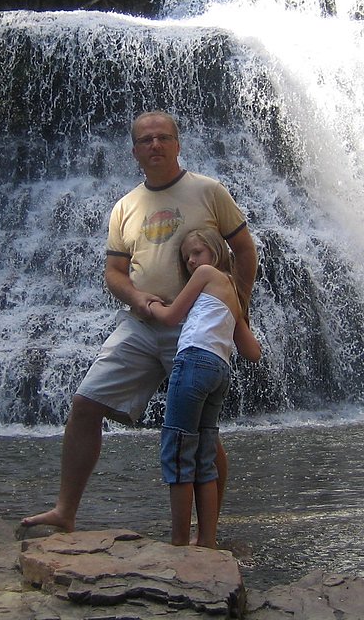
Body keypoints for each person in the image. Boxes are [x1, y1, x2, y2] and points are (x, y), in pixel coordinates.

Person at [21, 110, 257, 533]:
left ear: (178, 144)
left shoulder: (208, 191)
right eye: (146, 140)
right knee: (85, 404)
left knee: (202, 431)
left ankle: (208, 539)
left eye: (163, 137)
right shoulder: (125, 207)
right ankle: (65, 513)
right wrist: (139, 299)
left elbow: (244, 249)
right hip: (143, 322)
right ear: (134, 150)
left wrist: (238, 311)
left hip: (195, 328)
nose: (155, 145)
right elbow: (114, 272)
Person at [147, 228, 260, 548]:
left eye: (197, 252)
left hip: (194, 361)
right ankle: (207, 540)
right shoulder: (234, 293)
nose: (192, 261)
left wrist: (148, 304)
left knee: (179, 450)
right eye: (186, 257)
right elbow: (253, 353)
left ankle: (180, 542)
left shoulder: (207, 274)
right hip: (219, 372)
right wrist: (238, 319)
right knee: (204, 456)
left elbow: (170, 317)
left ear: (215, 251)